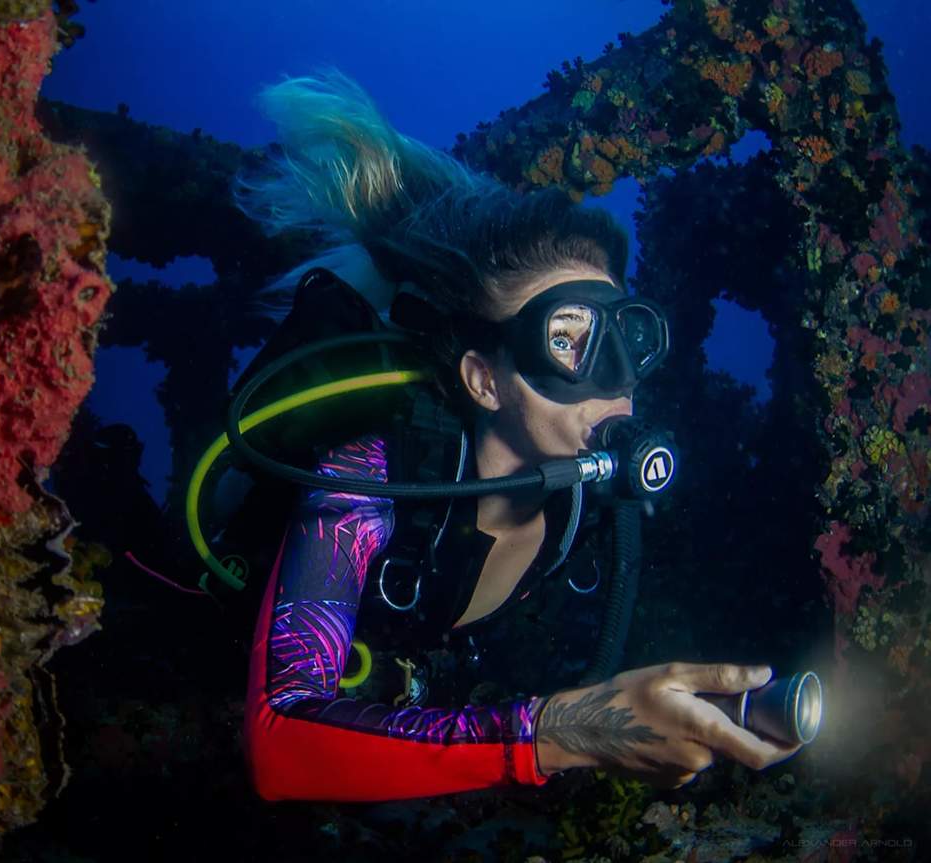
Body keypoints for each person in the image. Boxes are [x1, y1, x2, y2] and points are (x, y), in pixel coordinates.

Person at [231, 69, 802, 802]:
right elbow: (280, 741)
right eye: (569, 339)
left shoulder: (588, 492)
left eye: (628, 338)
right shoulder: (365, 474)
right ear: (483, 378)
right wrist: (561, 732)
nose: (617, 379)